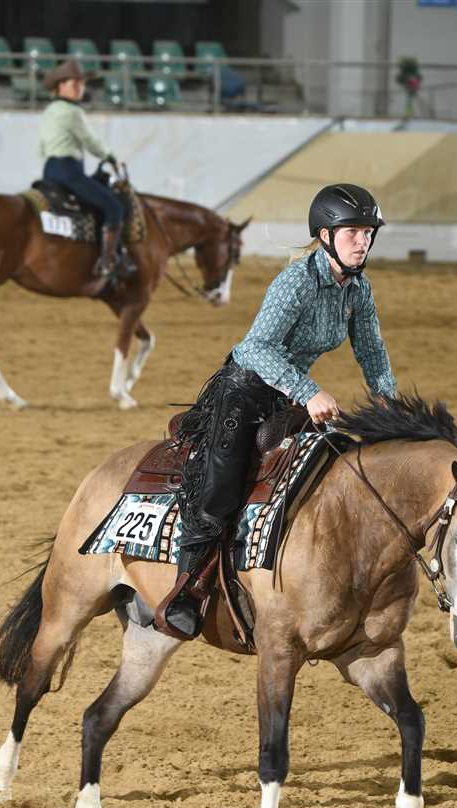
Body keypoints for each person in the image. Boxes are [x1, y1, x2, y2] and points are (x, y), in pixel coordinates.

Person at [155, 183, 397, 641]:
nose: (362, 241)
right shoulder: (296, 281)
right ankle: (186, 589)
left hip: (284, 396)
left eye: (368, 233)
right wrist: (308, 390)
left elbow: (372, 352)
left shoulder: (358, 289)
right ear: (325, 236)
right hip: (243, 391)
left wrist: (389, 403)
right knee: (222, 483)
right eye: (353, 232)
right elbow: (253, 349)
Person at [38, 58, 135, 279]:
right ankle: (108, 261)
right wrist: (110, 156)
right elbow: (90, 140)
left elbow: (42, 145)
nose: (80, 88)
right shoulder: (73, 111)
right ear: (60, 86)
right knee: (114, 207)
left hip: (50, 169)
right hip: (69, 171)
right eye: (74, 83)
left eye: (81, 83)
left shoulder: (49, 110)